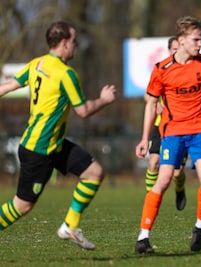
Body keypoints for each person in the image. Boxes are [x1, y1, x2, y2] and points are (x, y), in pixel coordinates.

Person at [0, 21, 117, 250]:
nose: (75, 46)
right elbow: (83, 111)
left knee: (94, 173)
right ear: (64, 43)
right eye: (74, 42)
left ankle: (70, 227)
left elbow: (6, 86)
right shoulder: (66, 74)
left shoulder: (37, 64)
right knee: (22, 206)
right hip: (39, 150)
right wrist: (104, 99)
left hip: (54, 145)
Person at [134, 16, 201, 254]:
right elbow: (151, 104)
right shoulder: (162, 69)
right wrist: (144, 138)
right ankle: (143, 237)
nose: (200, 44)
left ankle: (198, 226)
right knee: (163, 180)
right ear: (182, 40)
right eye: (196, 39)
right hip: (172, 132)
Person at [145, 36, 187, 211]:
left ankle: (179, 189)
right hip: (160, 124)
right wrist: (156, 104)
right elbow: (148, 95)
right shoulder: (162, 69)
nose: (176, 51)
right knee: (153, 162)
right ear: (169, 50)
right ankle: (150, 199)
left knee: (177, 173)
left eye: (179, 48)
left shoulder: (189, 70)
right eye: (174, 49)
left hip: (181, 125)